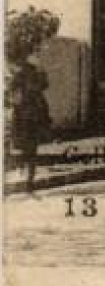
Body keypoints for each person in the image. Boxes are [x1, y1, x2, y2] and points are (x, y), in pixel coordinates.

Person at [6, 59, 52, 192]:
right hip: (31, 116)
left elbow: (13, 94)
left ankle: (28, 178)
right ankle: (28, 179)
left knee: (26, 148)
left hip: (26, 116)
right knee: (30, 149)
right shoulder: (32, 75)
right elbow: (44, 85)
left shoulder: (21, 75)